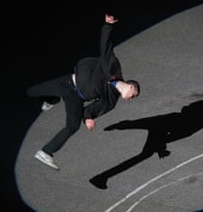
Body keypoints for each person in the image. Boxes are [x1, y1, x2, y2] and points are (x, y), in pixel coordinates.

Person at [27, 14, 140, 170]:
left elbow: (91, 110)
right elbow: (105, 47)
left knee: (73, 126)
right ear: (131, 87)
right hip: (66, 83)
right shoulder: (113, 67)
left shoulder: (111, 100)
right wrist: (108, 26)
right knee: (30, 92)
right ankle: (52, 99)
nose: (130, 99)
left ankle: (46, 152)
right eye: (132, 96)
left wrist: (88, 119)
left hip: (77, 98)